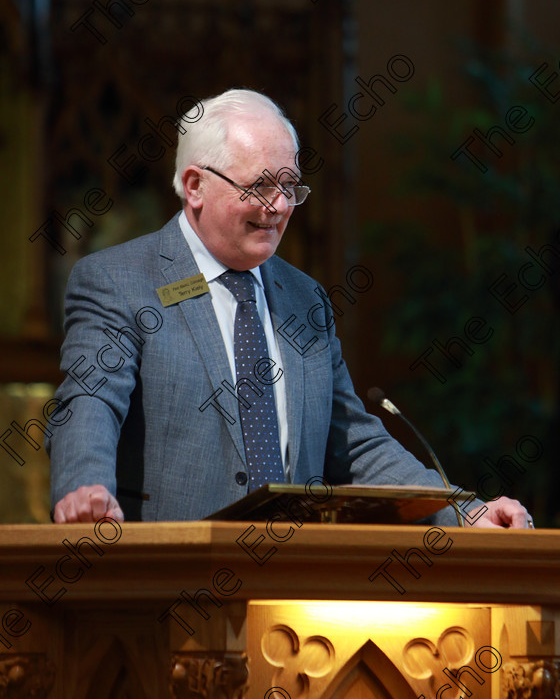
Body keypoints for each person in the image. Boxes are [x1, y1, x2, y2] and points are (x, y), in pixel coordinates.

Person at [47, 89, 532, 529]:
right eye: (260, 186)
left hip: (292, 582)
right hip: (168, 578)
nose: (278, 205)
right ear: (194, 185)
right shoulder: (119, 281)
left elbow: (353, 440)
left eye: (290, 186)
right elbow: (90, 402)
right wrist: (83, 489)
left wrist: (464, 511)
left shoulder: (307, 299)